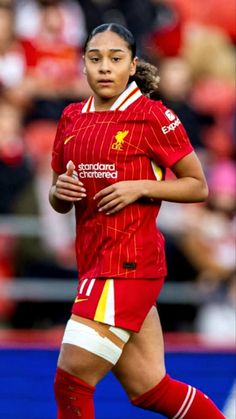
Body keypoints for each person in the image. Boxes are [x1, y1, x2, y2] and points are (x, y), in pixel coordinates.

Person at [49, 23, 225, 418]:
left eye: (115, 59)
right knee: (150, 389)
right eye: (95, 59)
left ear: (132, 66)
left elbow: (198, 186)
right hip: (94, 262)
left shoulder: (152, 116)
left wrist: (141, 186)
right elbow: (58, 199)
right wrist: (59, 192)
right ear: (83, 65)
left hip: (126, 265)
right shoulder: (71, 119)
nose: (105, 68)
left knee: (71, 382)